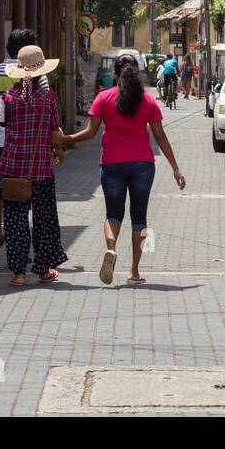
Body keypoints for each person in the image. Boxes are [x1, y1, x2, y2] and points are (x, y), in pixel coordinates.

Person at [62, 54, 186, 285]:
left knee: (113, 215)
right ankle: (134, 271)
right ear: (136, 75)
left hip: (112, 163)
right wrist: (175, 168)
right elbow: (160, 136)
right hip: (142, 165)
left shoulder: (103, 97)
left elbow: (89, 133)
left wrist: (64, 138)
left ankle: (111, 249)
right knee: (139, 218)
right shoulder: (148, 101)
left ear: (115, 75)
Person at [0, 45, 67, 286]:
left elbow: (2, 124)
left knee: (15, 221)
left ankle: (18, 273)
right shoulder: (49, 98)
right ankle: (43, 269)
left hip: (14, 167)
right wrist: (59, 150)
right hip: (40, 169)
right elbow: (54, 130)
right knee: (44, 220)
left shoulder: (8, 97)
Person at [0, 28, 49, 265]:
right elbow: (43, 107)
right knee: (23, 199)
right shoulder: (38, 73)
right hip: (26, 147)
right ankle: (23, 249)